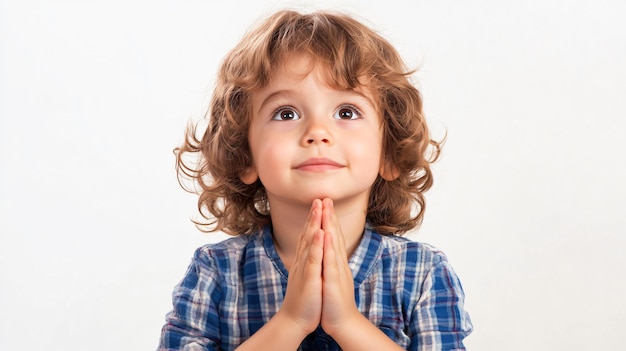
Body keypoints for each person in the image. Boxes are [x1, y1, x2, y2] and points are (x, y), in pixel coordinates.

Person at [158, 9, 472, 351]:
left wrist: (347, 324)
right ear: (245, 156)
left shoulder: (423, 273)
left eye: (347, 112)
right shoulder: (216, 273)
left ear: (389, 154)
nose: (317, 133)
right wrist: (291, 321)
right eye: (286, 113)